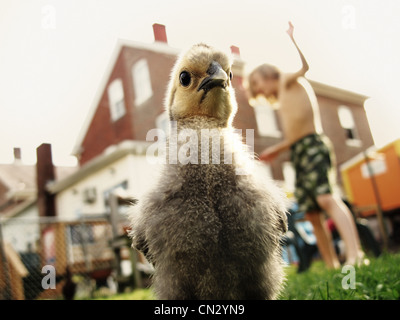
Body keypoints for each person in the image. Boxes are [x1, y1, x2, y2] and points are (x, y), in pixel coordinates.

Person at [248, 21, 366, 268]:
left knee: (325, 198)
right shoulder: (282, 97)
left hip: (313, 145)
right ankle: (332, 264)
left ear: (268, 74)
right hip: (299, 152)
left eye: (259, 85)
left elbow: (305, 66)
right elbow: (293, 138)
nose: (262, 92)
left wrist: (292, 38)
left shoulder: (287, 81)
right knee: (312, 213)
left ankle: (355, 254)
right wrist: (276, 150)